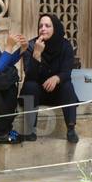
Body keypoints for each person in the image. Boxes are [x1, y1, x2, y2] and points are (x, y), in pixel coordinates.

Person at [20, 13, 80, 143]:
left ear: (55, 28)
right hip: (37, 92)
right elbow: (30, 75)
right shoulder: (31, 45)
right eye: (41, 26)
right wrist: (36, 54)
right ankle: (30, 130)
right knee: (30, 85)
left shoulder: (65, 46)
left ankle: (71, 129)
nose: (43, 28)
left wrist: (56, 78)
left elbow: (67, 71)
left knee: (67, 85)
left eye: (47, 26)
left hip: (58, 93)